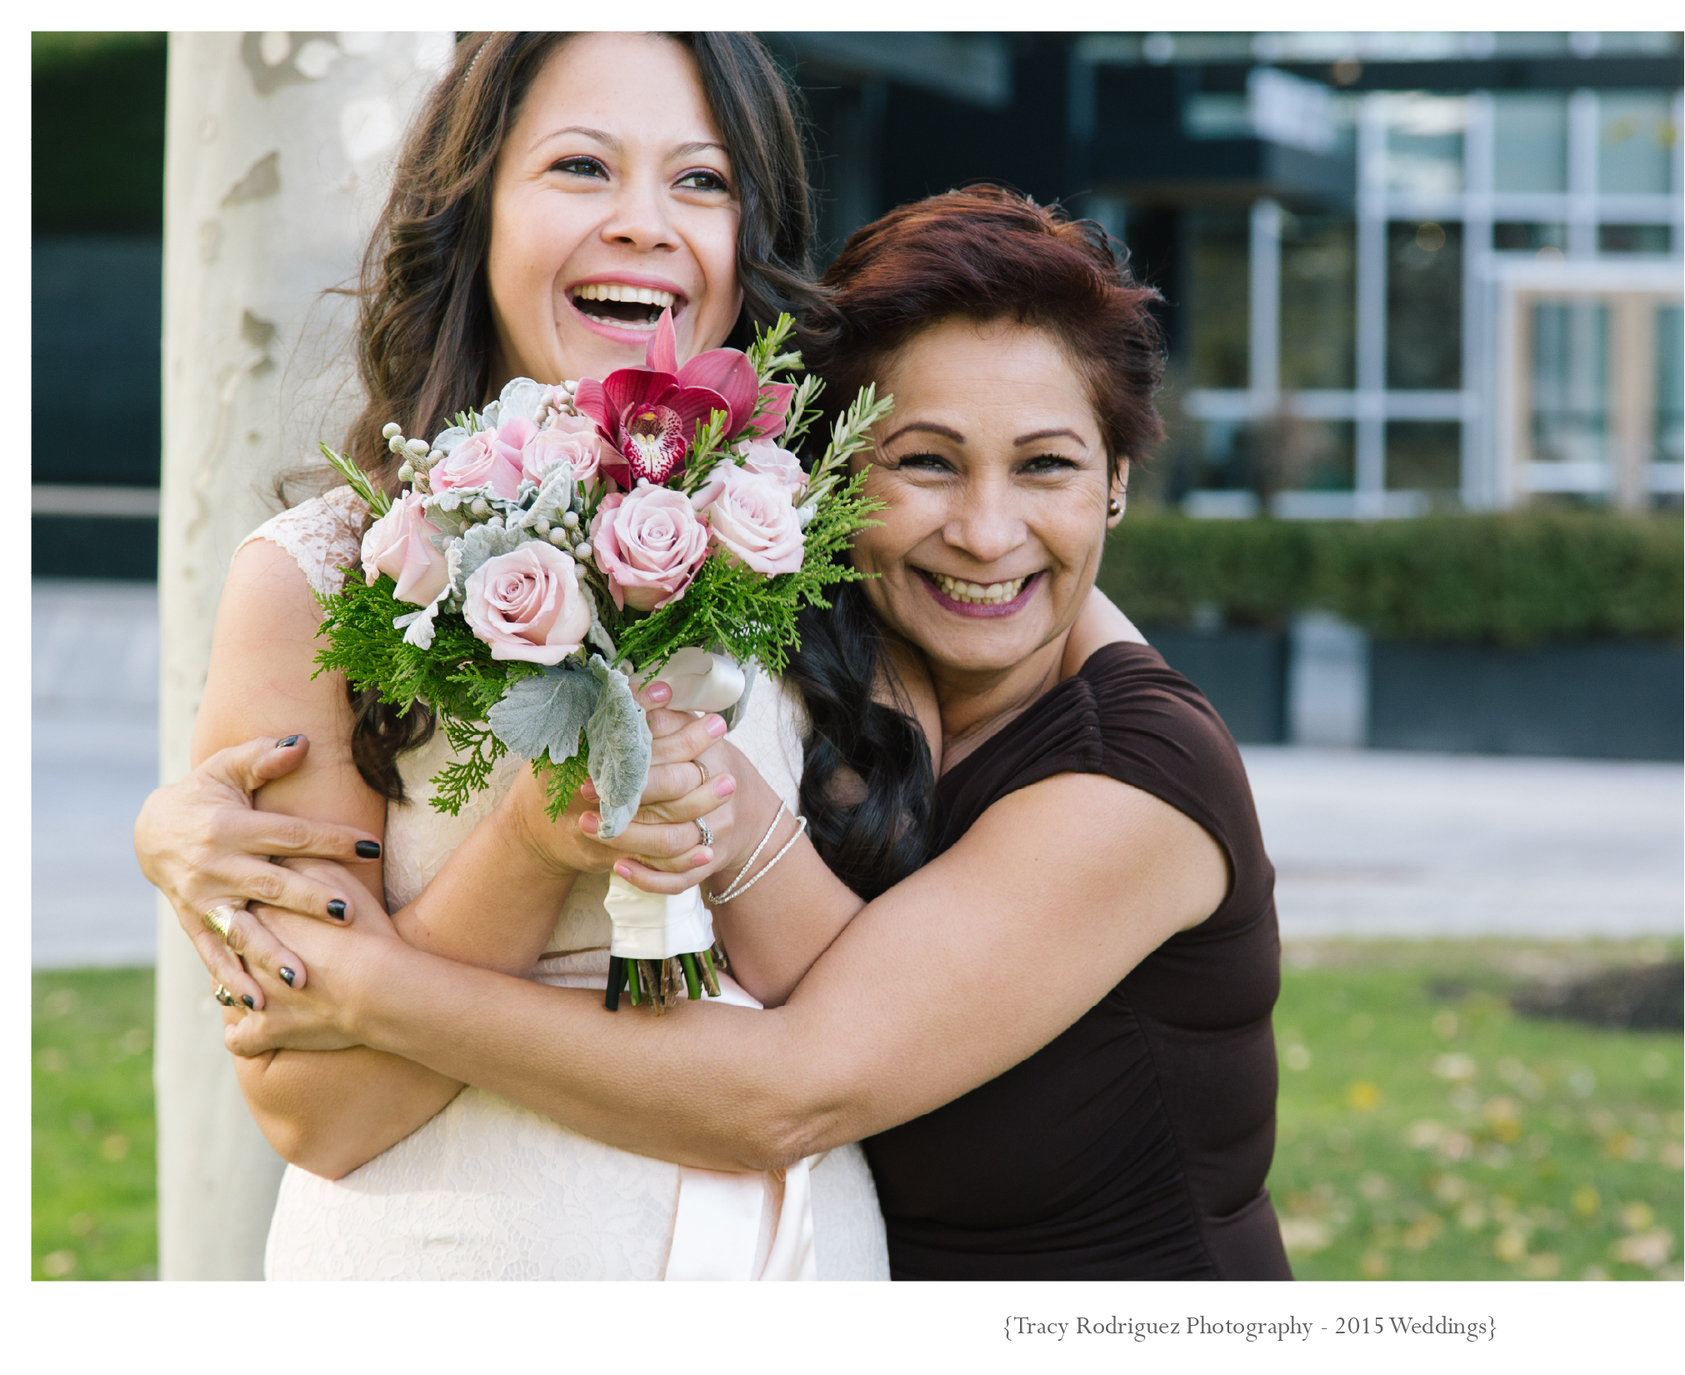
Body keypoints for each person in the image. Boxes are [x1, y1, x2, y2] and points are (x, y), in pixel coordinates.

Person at [148, 185, 1294, 1280]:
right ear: (827, 477)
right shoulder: (849, 653)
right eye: (927, 461)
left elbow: (785, 1091)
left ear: (1117, 485)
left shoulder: (1134, 781)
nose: (988, 533)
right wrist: (168, 821)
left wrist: (367, 991)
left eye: (1047, 464)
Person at [133, 30, 888, 1279]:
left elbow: (851, 1002)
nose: (646, 223)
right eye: (582, 167)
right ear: (474, 210)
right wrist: (537, 838)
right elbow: (319, 1112)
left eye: (700, 181)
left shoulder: (804, 545)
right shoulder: (317, 575)